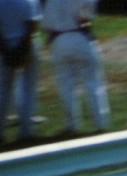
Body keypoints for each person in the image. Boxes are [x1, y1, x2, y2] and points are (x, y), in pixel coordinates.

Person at [42, 0, 110, 134]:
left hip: (59, 40)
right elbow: (86, 17)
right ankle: (101, 124)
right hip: (81, 36)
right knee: (93, 82)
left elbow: (47, 25)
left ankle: (72, 125)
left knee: (66, 86)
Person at [0, 0, 41, 143]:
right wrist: (21, 51)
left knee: (4, 90)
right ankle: (26, 131)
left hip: (6, 45)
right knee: (28, 89)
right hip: (27, 46)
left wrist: (7, 51)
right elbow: (32, 27)